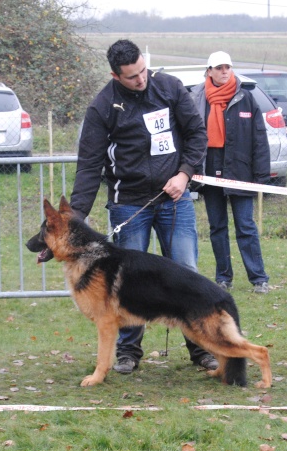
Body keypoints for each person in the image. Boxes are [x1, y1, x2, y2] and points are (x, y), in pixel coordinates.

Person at [70, 38, 216, 374]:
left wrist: (184, 173)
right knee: (129, 283)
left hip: (175, 199)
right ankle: (128, 352)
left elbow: (196, 134)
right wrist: (76, 216)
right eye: (132, 76)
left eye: (142, 71)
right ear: (115, 75)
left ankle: (202, 349)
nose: (141, 79)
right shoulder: (103, 106)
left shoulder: (169, 87)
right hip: (128, 205)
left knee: (186, 273)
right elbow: (90, 163)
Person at [191, 51, 271, 294]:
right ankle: (223, 277)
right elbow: (191, 138)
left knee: (246, 226)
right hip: (209, 173)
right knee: (217, 227)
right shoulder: (197, 98)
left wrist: (261, 176)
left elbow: (259, 139)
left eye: (228, 66)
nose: (224, 71)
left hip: (240, 172)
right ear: (209, 71)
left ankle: (259, 279)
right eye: (219, 67)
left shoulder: (246, 98)